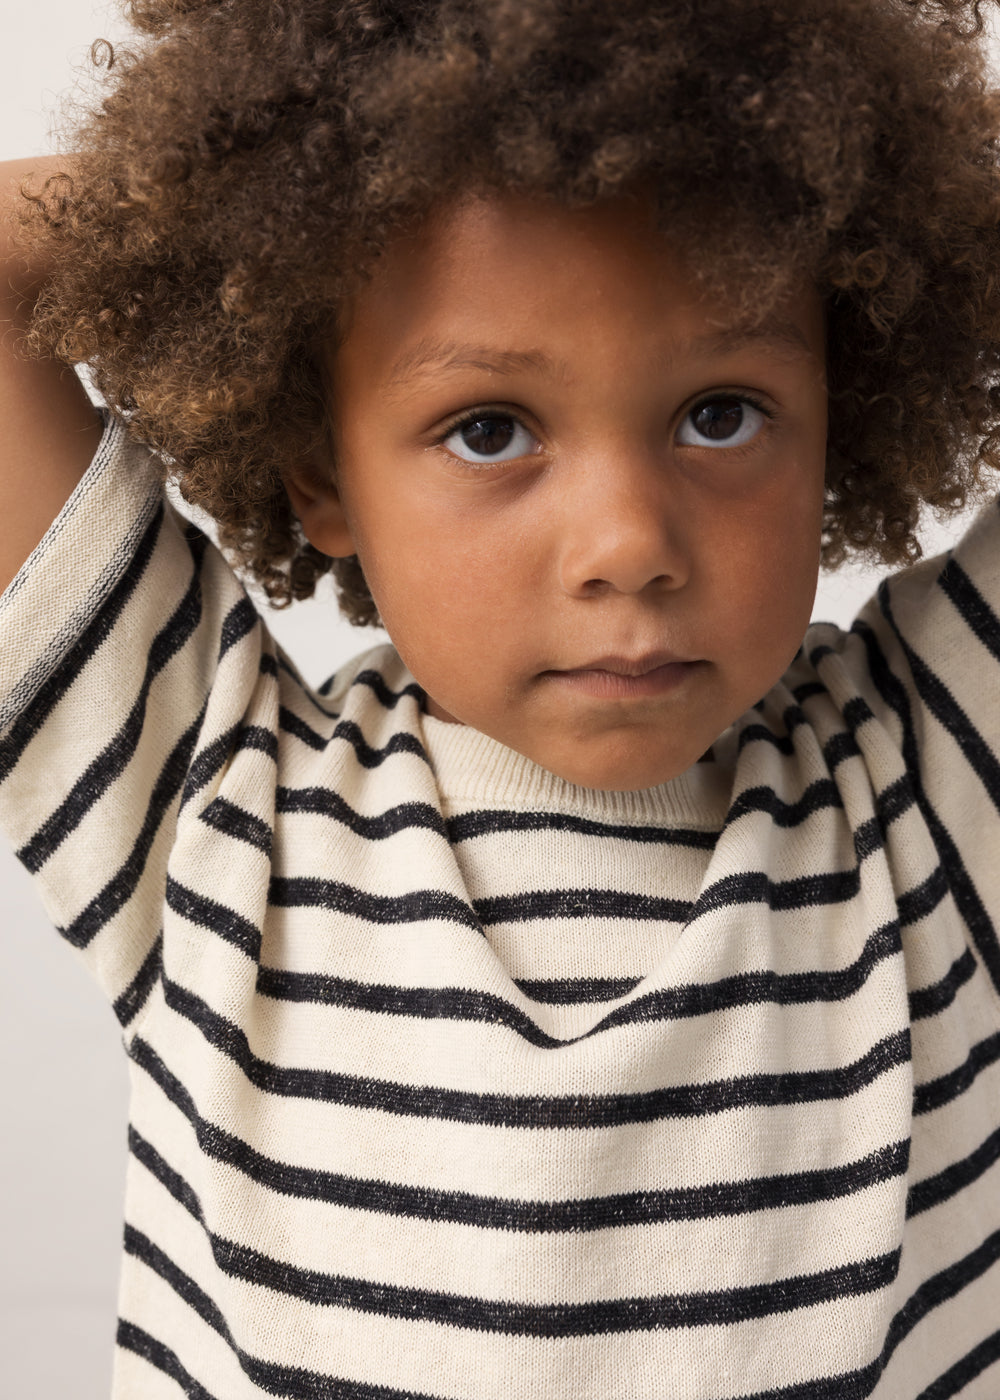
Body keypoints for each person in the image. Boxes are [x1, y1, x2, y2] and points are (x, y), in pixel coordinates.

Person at [2, 0, 1000, 1395]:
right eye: (490, 429)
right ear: (322, 475)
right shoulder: (209, 807)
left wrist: (904, 178)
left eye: (720, 412)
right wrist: (235, 197)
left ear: (840, 420)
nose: (629, 544)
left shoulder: (932, 787)